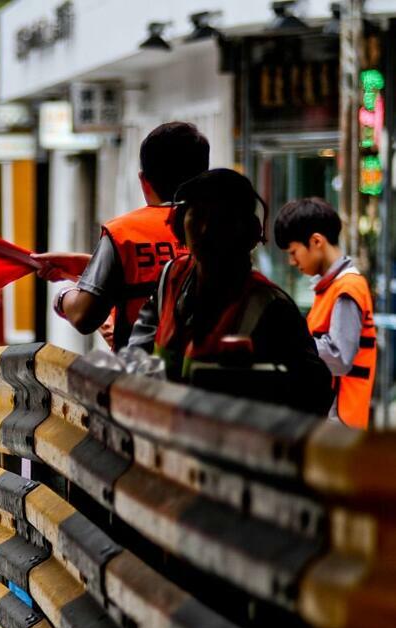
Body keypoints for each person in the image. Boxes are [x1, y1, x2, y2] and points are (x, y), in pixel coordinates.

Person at [127, 169, 333, 416]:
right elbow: (136, 356)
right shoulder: (170, 278)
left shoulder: (271, 307)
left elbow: (315, 394)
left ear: (247, 230)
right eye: (197, 214)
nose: (204, 229)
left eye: (219, 219)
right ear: (181, 221)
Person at [34, 122, 209, 350]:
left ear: (143, 180)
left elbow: (83, 316)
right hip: (216, 374)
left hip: (145, 375)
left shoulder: (124, 233)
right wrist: (88, 265)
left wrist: (63, 297)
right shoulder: (226, 228)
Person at [274, 198, 376, 428]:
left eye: (293, 252)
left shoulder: (347, 288)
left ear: (316, 241)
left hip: (338, 421)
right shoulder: (331, 288)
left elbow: (340, 358)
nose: (292, 261)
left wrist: (291, 343)